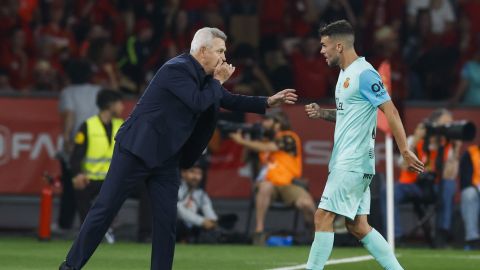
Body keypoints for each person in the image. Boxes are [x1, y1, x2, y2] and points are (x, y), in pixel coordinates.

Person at [59, 27, 297, 270]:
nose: (224, 58)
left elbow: (226, 98)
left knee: (166, 223)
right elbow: (198, 102)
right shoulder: (176, 69)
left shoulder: (206, 78)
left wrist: (267, 101)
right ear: (203, 51)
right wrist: (217, 81)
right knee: (104, 211)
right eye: (220, 51)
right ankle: (70, 267)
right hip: (137, 151)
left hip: (167, 159)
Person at [304, 20, 424, 270]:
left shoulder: (364, 73)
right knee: (357, 226)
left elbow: (389, 110)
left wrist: (404, 149)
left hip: (353, 161)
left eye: (324, 46)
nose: (322, 51)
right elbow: (348, 113)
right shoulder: (345, 75)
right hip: (351, 161)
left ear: (339, 46)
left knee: (323, 216)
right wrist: (323, 113)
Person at [229, 112, 315, 245]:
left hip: (288, 183)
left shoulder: (289, 137)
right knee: (265, 185)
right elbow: (244, 159)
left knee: (307, 205)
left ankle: (314, 234)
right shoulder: (261, 142)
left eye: (267, 120)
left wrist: (241, 141)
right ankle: (259, 231)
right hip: (268, 183)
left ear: (278, 123)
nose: (264, 123)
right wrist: (250, 139)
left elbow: (270, 147)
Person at [380, 109, 460, 247]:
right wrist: (416, 140)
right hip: (413, 185)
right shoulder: (414, 140)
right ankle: (396, 237)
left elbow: (449, 176)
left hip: (437, 187)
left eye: (450, 124)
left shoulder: (448, 144)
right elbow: (404, 166)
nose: (448, 127)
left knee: (450, 185)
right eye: (445, 124)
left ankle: (442, 234)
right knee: (388, 191)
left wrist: (456, 148)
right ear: (433, 124)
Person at [70, 89, 124, 244]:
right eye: (119, 103)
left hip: (115, 180)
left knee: (146, 187)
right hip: (92, 179)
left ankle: (145, 234)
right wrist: (78, 174)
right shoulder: (87, 126)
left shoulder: (122, 125)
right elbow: (76, 156)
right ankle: (89, 233)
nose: (122, 107)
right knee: (80, 187)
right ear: (110, 105)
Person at [176, 163, 218, 243]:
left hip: (194, 229)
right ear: (183, 173)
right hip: (177, 227)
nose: (196, 177)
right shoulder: (176, 189)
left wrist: (213, 221)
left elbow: (208, 211)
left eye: (199, 173)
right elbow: (179, 210)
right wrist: (202, 221)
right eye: (192, 172)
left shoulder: (201, 194)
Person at [460, 144, 480, 250]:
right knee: (469, 194)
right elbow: (464, 178)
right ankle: (472, 239)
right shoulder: (471, 153)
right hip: (475, 189)